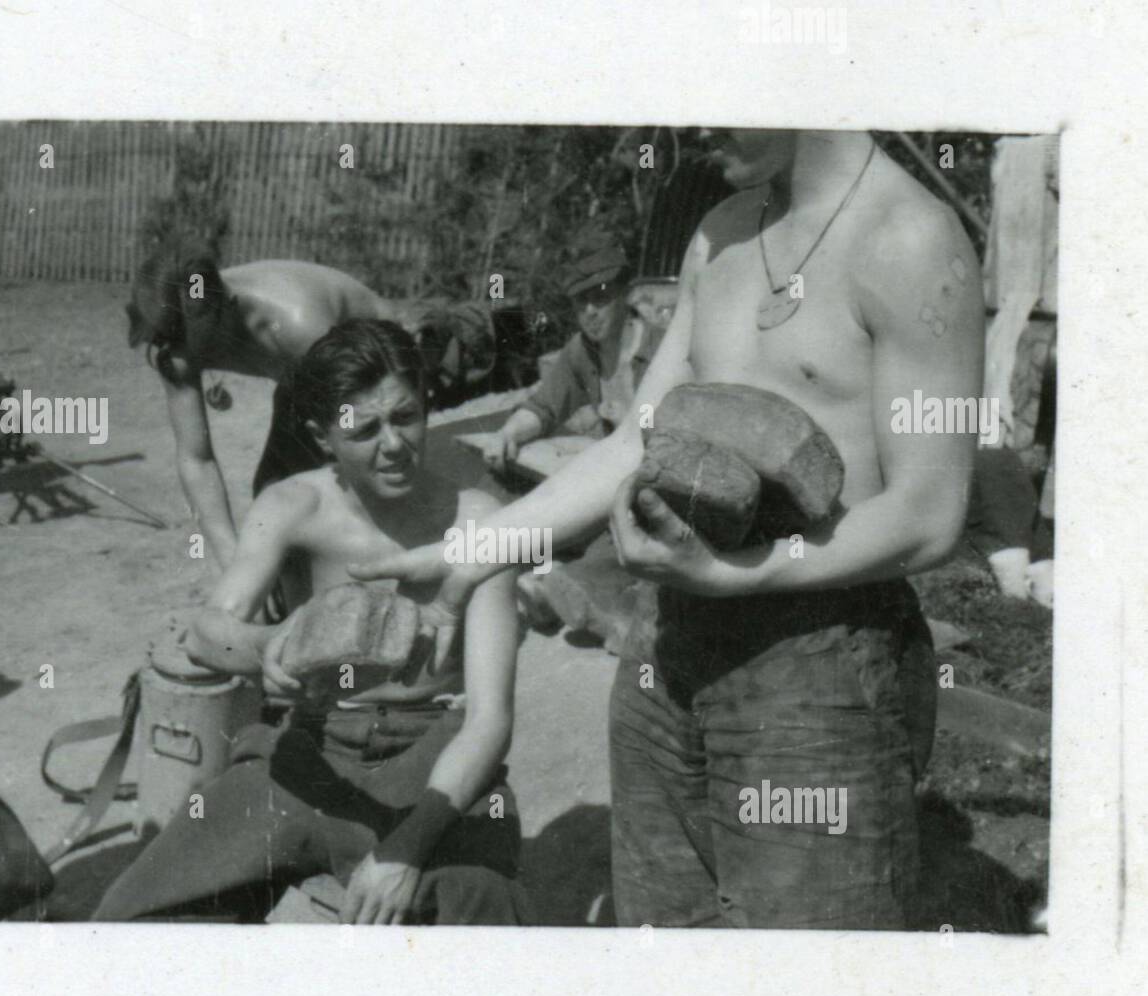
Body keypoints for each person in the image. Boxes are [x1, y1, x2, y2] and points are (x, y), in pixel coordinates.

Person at [353, 130, 985, 930]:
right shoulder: (720, 230)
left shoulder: (911, 240)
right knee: (669, 955)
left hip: (820, 672)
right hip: (667, 653)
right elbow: (633, 441)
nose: (688, 132)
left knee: (802, 987)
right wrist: (474, 552)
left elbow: (930, 514)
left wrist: (740, 572)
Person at [94, 319, 528, 925]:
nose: (395, 444)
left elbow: (490, 718)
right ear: (322, 437)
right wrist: (272, 645)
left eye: (406, 416)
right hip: (311, 750)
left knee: (483, 915)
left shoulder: (479, 521)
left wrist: (406, 849)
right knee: (130, 915)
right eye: (365, 429)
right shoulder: (293, 506)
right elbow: (207, 629)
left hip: (432, 753)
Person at [126, 237, 393, 569]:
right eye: (166, 336)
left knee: (340, 493)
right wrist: (234, 564)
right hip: (301, 375)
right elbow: (196, 459)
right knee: (272, 495)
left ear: (225, 308)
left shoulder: (297, 324)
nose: (175, 351)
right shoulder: (179, 331)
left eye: (183, 336)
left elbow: (351, 428)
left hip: (381, 357)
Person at [482, 225, 658, 472]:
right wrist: (507, 433)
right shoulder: (582, 351)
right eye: (580, 300)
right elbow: (544, 407)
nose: (589, 312)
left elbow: (674, 439)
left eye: (600, 297)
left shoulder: (660, 351)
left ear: (627, 294)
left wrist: (634, 422)